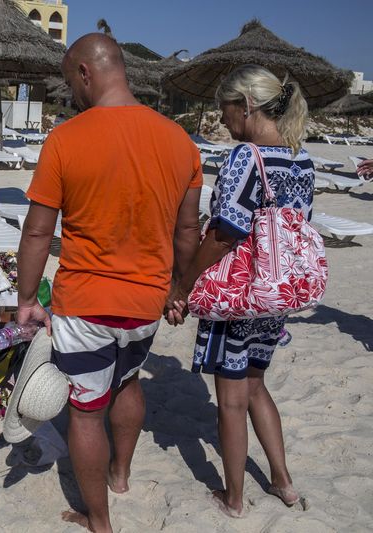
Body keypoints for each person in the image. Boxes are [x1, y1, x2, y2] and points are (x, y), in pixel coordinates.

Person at [16, 33, 203, 533]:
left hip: (86, 302)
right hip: (145, 303)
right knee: (126, 381)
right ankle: (120, 473)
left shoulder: (67, 138)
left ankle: (98, 519)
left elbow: (38, 230)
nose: (71, 94)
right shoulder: (180, 142)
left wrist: (27, 300)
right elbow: (188, 231)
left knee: (84, 411)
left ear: (85, 73)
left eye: (68, 82)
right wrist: (179, 290)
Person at [165, 64, 311, 518]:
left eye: (224, 109)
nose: (223, 119)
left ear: (245, 106)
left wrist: (185, 284)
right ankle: (283, 481)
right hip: (278, 288)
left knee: (229, 398)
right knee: (254, 386)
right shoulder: (300, 157)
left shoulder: (248, 157)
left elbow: (225, 232)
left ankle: (232, 499)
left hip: (239, 290)